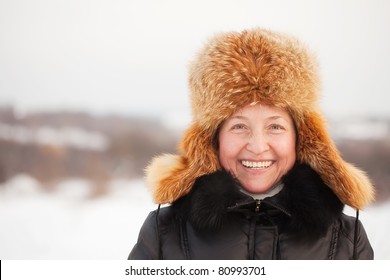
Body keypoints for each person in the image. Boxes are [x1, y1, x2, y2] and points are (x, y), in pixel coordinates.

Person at [128, 28, 375, 259]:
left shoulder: (346, 238)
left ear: (302, 139)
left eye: (275, 127)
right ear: (213, 140)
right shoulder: (163, 231)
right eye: (239, 126)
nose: (257, 147)